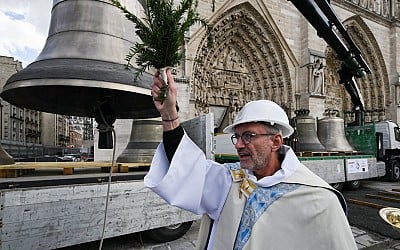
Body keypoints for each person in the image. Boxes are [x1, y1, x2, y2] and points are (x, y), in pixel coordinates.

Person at [144, 69, 357, 250]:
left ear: (275, 142)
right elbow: (186, 168)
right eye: (237, 136)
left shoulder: (319, 200)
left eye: (248, 136)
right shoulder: (230, 181)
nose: (237, 144)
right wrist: (169, 115)